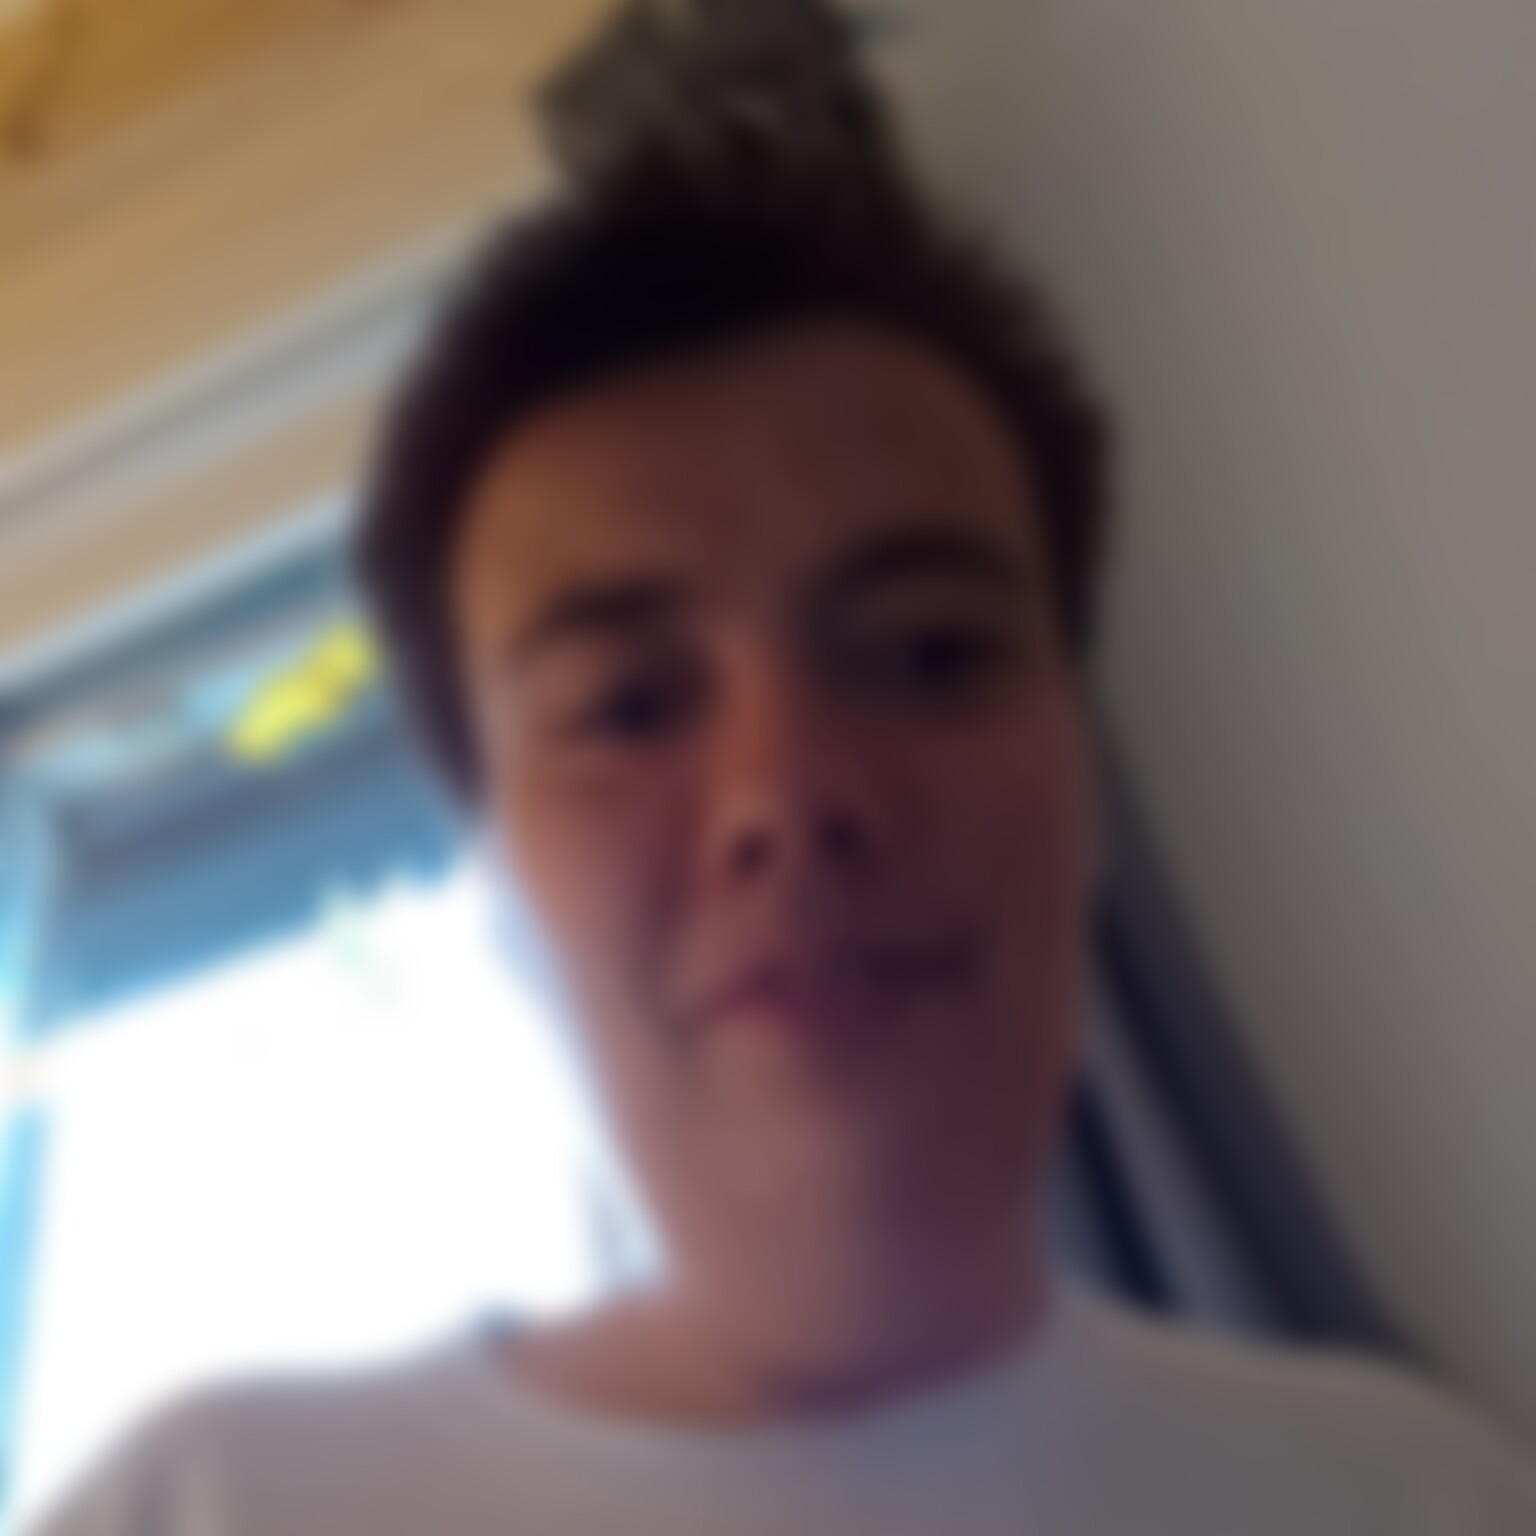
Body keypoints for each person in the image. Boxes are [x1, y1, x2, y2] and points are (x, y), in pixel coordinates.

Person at [30, 2, 1536, 1532]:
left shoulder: (1420, 1493)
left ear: (1083, 776)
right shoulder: (204, 1508)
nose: (789, 795)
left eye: (932, 654)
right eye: (627, 707)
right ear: (497, 878)